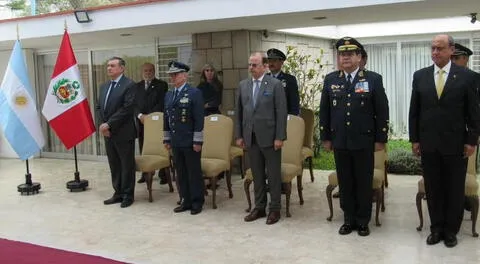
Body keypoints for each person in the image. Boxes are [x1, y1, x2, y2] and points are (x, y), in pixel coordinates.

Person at [408, 34, 480, 248]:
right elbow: (415, 111)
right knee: (433, 188)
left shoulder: (466, 77)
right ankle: (436, 228)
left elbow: (474, 114)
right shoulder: (420, 76)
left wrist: (471, 141)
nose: (435, 53)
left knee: (454, 189)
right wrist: (415, 139)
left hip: (456, 143)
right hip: (429, 143)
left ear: (451, 50)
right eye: (432, 48)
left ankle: (451, 230)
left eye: (439, 48)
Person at [319, 37, 389, 237]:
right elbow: (324, 111)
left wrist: (380, 138)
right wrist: (325, 136)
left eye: (350, 53)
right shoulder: (331, 79)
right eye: (342, 54)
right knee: (346, 181)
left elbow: (382, 111)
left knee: (363, 181)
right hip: (340, 140)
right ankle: (348, 219)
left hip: (363, 140)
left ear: (359, 57)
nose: (345, 57)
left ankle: (363, 220)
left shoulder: (373, 79)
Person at [235, 52, 287, 225]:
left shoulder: (275, 84)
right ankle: (259, 207)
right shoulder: (243, 85)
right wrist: (239, 135)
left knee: (273, 175)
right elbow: (239, 113)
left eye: (254, 65)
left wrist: (280, 137)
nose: (251, 68)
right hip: (251, 138)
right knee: (257, 174)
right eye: (249, 64)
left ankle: (275, 209)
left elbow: (281, 112)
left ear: (265, 66)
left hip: (271, 138)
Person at [163, 60, 205, 215]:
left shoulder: (194, 93)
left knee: (193, 172)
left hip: (190, 140)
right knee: (180, 172)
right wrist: (166, 139)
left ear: (184, 75)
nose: (172, 77)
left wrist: (198, 140)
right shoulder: (168, 95)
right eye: (171, 75)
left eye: (175, 74)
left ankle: (197, 201)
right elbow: (166, 119)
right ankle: (185, 200)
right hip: (176, 141)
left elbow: (199, 119)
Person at [97, 56, 137, 208]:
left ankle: (128, 195)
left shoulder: (129, 85)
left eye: (113, 66)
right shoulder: (104, 86)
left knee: (126, 165)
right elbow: (99, 107)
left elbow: (127, 109)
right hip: (108, 133)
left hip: (124, 132)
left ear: (121, 68)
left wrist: (109, 124)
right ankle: (118, 192)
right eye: (108, 65)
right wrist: (103, 125)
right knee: (114, 164)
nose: (109, 68)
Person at [135, 62, 169, 184]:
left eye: (150, 70)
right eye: (145, 71)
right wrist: (140, 115)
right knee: (143, 146)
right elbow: (134, 105)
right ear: (141, 72)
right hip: (141, 122)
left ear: (154, 72)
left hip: (156, 122)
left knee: (161, 147)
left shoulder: (161, 85)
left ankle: (164, 175)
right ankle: (146, 173)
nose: (148, 73)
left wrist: (149, 117)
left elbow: (161, 103)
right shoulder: (137, 86)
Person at [267, 48, 300, 115]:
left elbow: (294, 105)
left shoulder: (290, 80)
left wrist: (291, 122)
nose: (271, 63)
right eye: (269, 60)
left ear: (281, 62)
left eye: (274, 60)